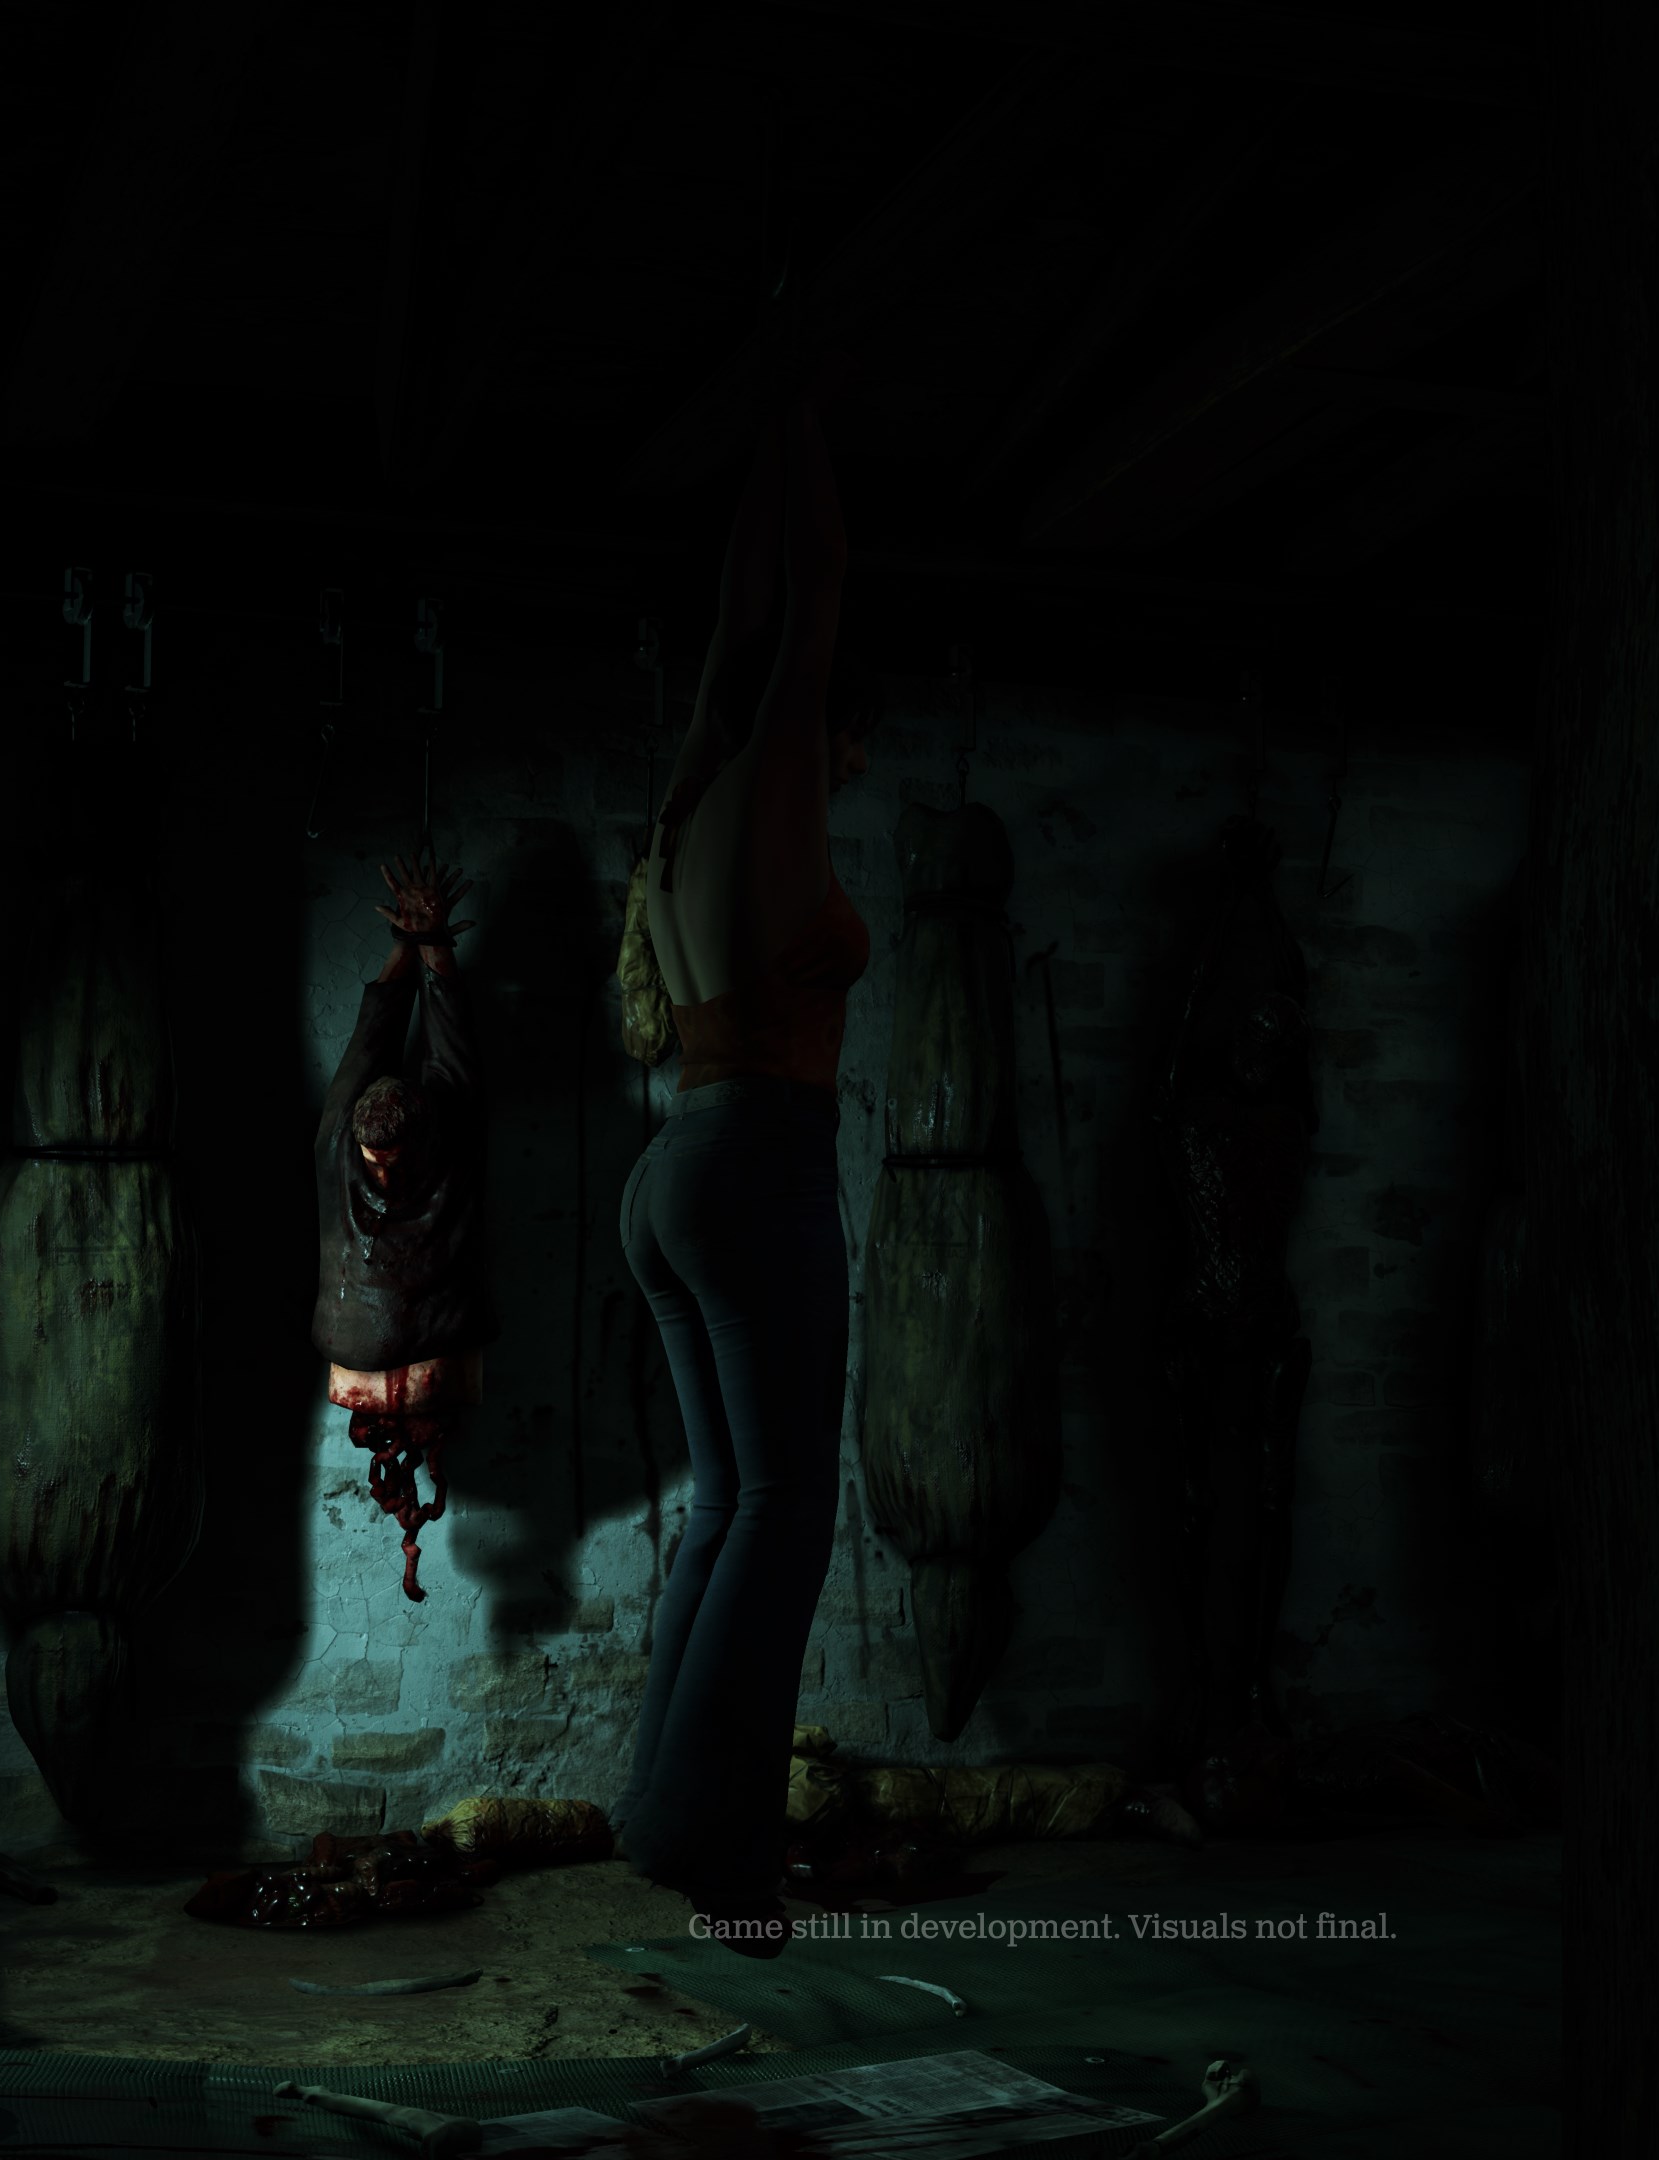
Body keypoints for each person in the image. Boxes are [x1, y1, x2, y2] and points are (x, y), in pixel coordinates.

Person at [612, 387, 877, 1957]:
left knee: (727, 1501)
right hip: (757, 1159)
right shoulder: (773, 788)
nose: (853, 760)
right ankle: (722, 1857)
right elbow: (806, 598)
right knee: (781, 1507)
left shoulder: (686, 811)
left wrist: (775, 436)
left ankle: (665, 1819)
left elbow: (740, 631)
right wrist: (802, 410)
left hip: (678, 1167)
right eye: (849, 740)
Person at [314, 853, 495, 1602]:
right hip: (432, 1351)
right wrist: (426, 942)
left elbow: (377, 1036)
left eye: (393, 1163)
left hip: (372, 1349)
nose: (382, 1178)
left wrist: (413, 944)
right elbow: (442, 1040)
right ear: (358, 1142)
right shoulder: (418, 1131)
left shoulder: (350, 1135)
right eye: (375, 1164)